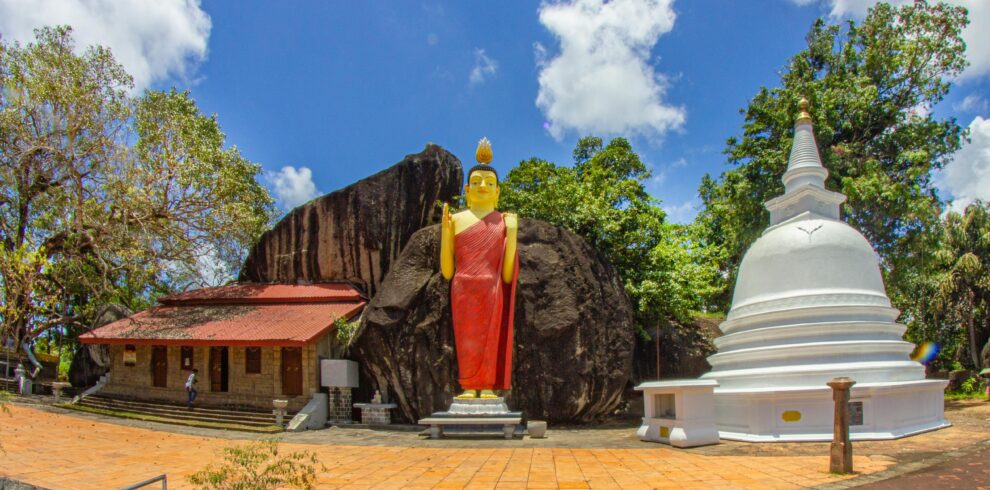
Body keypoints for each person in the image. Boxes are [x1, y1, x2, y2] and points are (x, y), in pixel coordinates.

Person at [440, 137, 519, 399]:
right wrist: (445, 233)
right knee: (467, 341)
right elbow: (447, 272)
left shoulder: (503, 221)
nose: (482, 186)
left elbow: (507, 275)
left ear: (498, 191)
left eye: (488, 183)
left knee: (489, 340)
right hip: (463, 287)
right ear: (466, 189)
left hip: (491, 288)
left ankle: (486, 385)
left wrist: (513, 233)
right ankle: (468, 385)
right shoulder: (456, 220)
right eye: (475, 182)